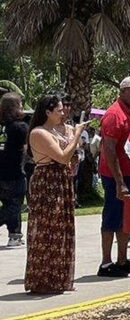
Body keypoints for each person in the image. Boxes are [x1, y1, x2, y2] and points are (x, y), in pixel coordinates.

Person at [25, 94, 86, 293]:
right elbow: (62, 157)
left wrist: (71, 136)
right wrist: (77, 135)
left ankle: (60, 278)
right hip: (47, 183)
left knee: (63, 230)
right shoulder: (38, 133)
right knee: (47, 230)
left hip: (62, 180)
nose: (63, 113)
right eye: (59, 110)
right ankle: (43, 279)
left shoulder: (59, 131)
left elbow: (72, 158)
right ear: (47, 112)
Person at [98, 76, 130, 277]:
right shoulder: (114, 114)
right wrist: (120, 182)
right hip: (115, 177)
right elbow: (109, 150)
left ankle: (122, 259)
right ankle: (105, 262)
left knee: (125, 219)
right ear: (124, 90)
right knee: (111, 217)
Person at [0, 92, 28, 247]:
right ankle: (15, 234)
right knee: (15, 204)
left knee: (9, 203)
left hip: (1, 174)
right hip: (14, 173)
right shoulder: (20, 127)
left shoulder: (4, 127)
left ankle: (15, 235)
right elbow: (27, 148)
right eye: (20, 105)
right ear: (14, 108)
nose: (23, 108)